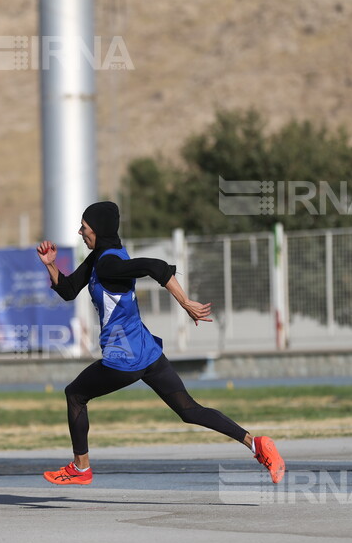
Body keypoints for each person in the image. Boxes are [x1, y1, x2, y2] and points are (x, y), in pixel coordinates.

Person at [36, 201, 285, 486]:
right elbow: (68, 291)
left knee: (75, 395)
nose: (80, 232)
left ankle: (81, 468)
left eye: (84, 227)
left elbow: (155, 266)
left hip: (124, 356)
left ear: (99, 230)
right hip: (146, 350)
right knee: (189, 409)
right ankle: (258, 445)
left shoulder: (107, 263)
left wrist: (186, 302)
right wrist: (51, 265)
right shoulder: (101, 257)